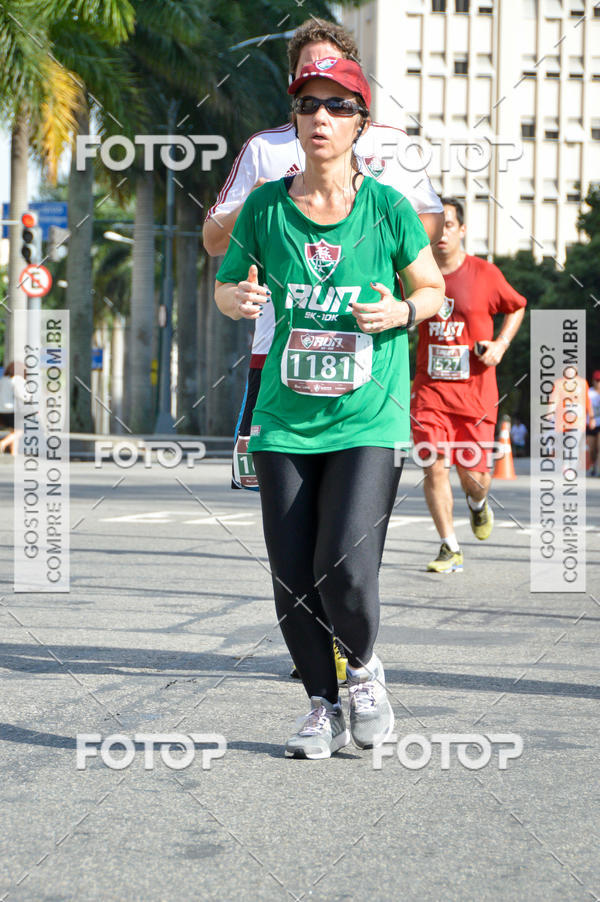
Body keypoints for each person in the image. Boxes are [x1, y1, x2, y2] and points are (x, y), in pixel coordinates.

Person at [214, 58, 444, 758]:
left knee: (344, 564)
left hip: (367, 417)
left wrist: (401, 310)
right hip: (284, 419)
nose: (321, 117)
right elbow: (227, 285)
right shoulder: (265, 206)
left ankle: (364, 670)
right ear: (296, 119)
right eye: (309, 105)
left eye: (338, 106)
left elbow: (431, 289)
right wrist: (239, 299)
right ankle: (322, 706)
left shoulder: (387, 208)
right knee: (292, 576)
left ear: (360, 124)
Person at [203, 18, 443, 492]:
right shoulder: (265, 149)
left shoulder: (391, 145)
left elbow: (428, 232)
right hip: (279, 347)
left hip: (363, 344)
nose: (322, 109)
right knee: (284, 509)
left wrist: (364, 213)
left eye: (335, 87)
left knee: (347, 519)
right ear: (293, 87)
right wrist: (274, 193)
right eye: (308, 81)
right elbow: (214, 242)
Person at [411, 198, 527, 573]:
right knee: (434, 463)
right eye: (436, 225)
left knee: (474, 480)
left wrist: (500, 345)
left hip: (476, 394)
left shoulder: (485, 274)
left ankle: (477, 504)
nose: (441, 232)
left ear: (461, 230)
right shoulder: (415, 272)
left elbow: (517, 306)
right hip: (430, 391)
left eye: (449, 224)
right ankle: (449, 547)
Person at [587, 370, 600, 476]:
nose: (599, 382)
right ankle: (593, 465)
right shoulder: (589, 393)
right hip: (590, 424)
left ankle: (599, 469)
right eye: (597, 380)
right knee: (592, 449)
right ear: (593, 381)